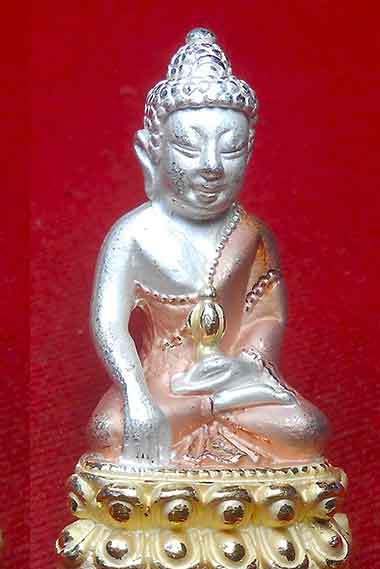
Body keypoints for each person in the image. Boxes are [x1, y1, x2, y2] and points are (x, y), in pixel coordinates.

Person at [87, 29, 328, 468]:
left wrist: (247, 363)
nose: (212, 166)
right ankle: (197, 416)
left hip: (236, 384)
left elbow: (266, 315)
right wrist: (137, 395)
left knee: (305, 428)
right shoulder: (133, 234)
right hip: (160, 385)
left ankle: (209, 415)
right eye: (188, 147)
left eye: (231, 149)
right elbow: (109, 324)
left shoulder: (251, 234)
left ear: (249, 154)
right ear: (152, 151)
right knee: (111, 430)